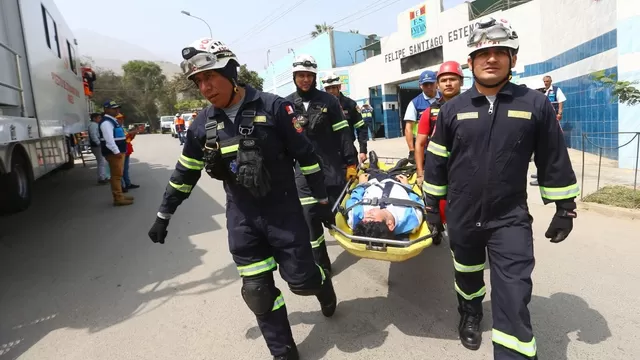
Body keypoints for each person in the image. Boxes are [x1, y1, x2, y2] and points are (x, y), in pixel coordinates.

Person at [147, 38, 337, 360]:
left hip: (284, 211)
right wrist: (164, 214)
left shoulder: (275, 107)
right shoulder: (201, 124)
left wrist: (321, 202)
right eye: (199, 82)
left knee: (301, 282)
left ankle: (321, 284)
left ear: (231, 73)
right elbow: (185, 172)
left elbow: (306, 157)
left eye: (210, 77)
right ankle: (283, 352)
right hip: (243, 217)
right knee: (258, 292)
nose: (205, 88)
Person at [422, 17, 580, 359]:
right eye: (483, 53)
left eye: (500, 52)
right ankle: (471, 313)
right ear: (471, 62)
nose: (491, 58)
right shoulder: (452, 109)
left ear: (513, 59)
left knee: (513, 292)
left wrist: (564, 207)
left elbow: (553, 157)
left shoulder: (534, 104)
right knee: (467, 275)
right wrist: (432, 206)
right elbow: (435, 160)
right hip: (462, 214)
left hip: (510, 218)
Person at [285, 54, 358, 276]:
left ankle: (357, 245)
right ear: (294, 77)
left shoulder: (329, 102)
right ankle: (322, 264)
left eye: (309, 75)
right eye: (301, 76)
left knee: (335, 215)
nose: (305, 80)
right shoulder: (287, 105)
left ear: (314, 77)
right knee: (309, 220)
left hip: (331, 169)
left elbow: (344, 134)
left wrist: (351, 163)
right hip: (303, 174)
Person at [414, 60, 464, 187]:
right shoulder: (429, 112)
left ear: (461, 82)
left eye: (452, 79)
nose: (448, 84)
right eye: (443, 80)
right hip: (439, 170)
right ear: (438, 85)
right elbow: (419, 144)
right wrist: (420, 174)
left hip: (468, 168)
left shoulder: (474, 107)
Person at [347, 165, 423, 239]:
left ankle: (373, 165)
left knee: (371, 171)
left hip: (373, 182)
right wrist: (407, 186)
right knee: (398, 172)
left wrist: (361, 185)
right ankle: (398, 167)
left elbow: (354, 198)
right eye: (371, 216)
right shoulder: (411, 219)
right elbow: (416, 201)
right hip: (398, 182)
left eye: (364, 217)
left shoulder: (355, 217)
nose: (367, 213)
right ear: (390, 224)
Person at [322, 72, 368, 164]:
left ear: (339, 87)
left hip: (348, 150)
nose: (331, 91)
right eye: (328, 88)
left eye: (333, 87)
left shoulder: (350, 104)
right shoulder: (321, 106)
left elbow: (361, 128)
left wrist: (363, 150)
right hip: (328, 154)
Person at [99, 100, 134, 206]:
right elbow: (109, 140)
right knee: (116, 176)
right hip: (114, 153)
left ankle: (120, 195)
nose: (116, 110)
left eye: (117, 108)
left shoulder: (112, 121)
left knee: (118, 175)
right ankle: (118, 198)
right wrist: (116, 152)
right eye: (113, 108)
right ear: (106, 109)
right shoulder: (106, 123)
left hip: (118, 152)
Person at [404, 69, 439, 163]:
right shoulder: (414, 103)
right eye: (425, 84)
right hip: (423, 147)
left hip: (442, 144)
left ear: (437, 83)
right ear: (420, 85)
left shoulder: (444, 98)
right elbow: (408, 128)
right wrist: (412, 150)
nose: (429, 87)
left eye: (431, 83)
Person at [115, 113, 140, 192]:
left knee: (125, 169)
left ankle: (127, 184)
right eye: (119, 118)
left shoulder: (123, 128)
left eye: (122, 118)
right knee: (121, 170)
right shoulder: (115, 128)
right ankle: (122, 186)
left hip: (126, 150)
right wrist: (131, 133)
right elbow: (122, 138)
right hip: (120, 151)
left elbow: (128, 140)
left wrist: (133, 134)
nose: (121, 120)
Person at [88, 112, 109, 185]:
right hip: (97, 146)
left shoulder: (95, 124)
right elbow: (93, 135)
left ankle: (103, 176)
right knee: (101, 162)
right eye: (99, 117)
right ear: (94, 118)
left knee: (102, 161)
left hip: (98, 145)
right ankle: (101, 178)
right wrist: (99, 143)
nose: (100, 119)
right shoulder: (93, 125)